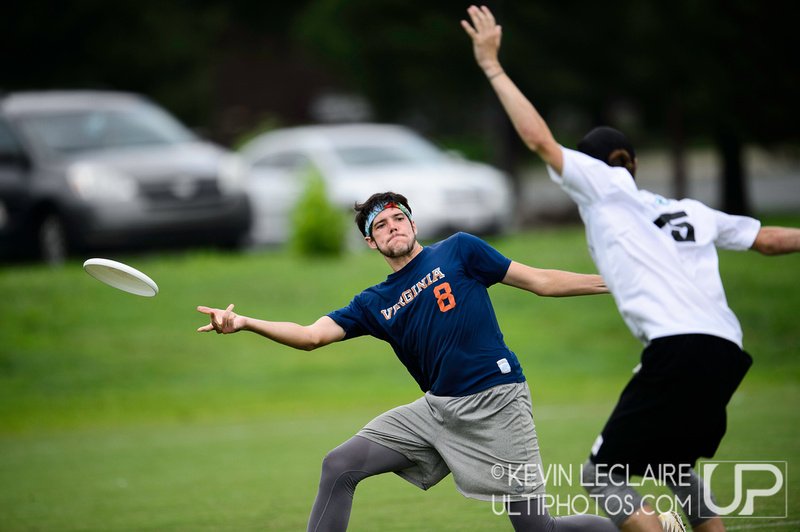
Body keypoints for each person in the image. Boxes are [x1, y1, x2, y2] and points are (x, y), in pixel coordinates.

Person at [461, 5, 800, 532]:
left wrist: (493, 67)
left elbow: (538, 141)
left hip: (677, 346)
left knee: (603, 478)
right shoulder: (689, 210)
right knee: (675, 466)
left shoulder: (603, 189)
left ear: (595, 166)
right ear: (635, 163)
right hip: (726, 351)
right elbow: (771, 240)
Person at [198, 191, 619, 531]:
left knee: (536, 529)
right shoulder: (373, 303)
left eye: (398, 218)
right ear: (371, 242)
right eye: (379, 225)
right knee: (339, 465)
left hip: (498, 403)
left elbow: (540, 281)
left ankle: (640, 528)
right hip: (437, 411)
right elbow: (311, 336)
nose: (391, 226)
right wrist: (246, 322)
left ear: (413, 224)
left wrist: (616, 282)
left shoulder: (459, 251)